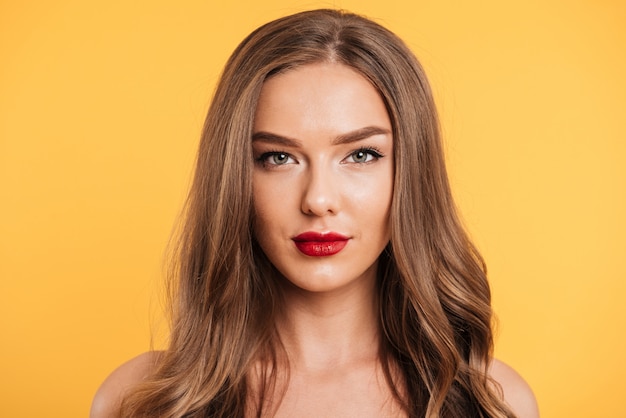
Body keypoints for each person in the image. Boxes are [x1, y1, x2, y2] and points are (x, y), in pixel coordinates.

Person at [91, 9, 539, 418]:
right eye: (278, 158)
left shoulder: (494, 403)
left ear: (411, 172)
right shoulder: (139, 400)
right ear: (233, 178)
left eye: (361, 155)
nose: (318, 199)